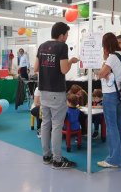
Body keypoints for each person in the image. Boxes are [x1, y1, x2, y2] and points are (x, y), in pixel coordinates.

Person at [34, 22, 79, 169]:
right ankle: (58, 160)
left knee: (46, 124)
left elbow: (36, 68)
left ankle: (46, 156)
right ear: (61, 35)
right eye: (66, 34)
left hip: (43, 90)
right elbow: (64, 69)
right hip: (56, 91)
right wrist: (71, 62)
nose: (67, 37)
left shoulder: (41, 46)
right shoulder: (62, 47)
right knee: (57, 126)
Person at [97, 32, 121, 168]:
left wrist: (105, 60)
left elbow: (101, 74)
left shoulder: (111, 58)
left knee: (112, 126)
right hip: (119, 94)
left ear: (106, 45)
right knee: (120, 124)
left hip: (110, 95)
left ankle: (113, 159)